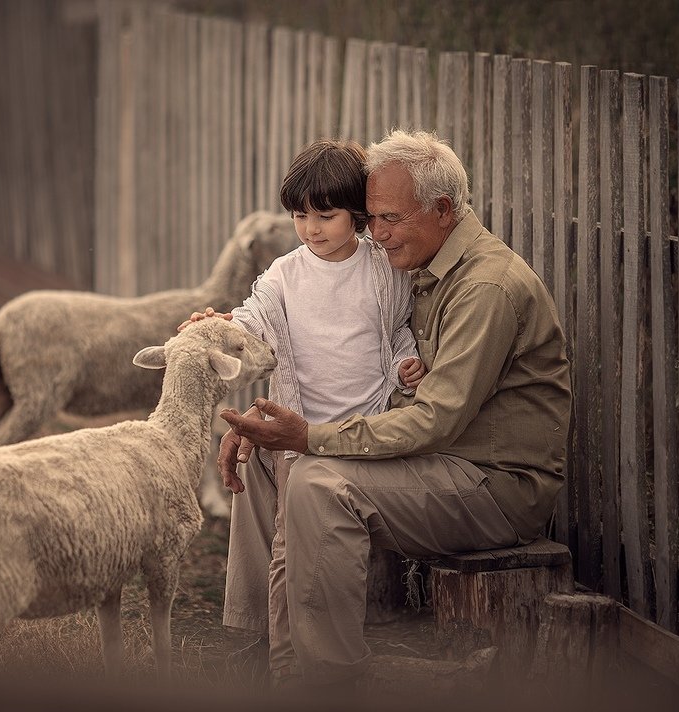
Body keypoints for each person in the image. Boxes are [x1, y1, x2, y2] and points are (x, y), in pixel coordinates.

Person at [217, 129, 572, 687]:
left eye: (388, 219)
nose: (376, 234)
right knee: (264, 460)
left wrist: (310, 436)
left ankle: (329, 678)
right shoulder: (422, 268)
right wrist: (265, 426)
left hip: (493, 485)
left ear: (443, 209)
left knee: (317, 483)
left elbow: (436, 420)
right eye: (371, 219)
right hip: (444, 461)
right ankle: (267, 644)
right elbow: (391, 366)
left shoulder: (486, 288)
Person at [181, 138, 425, 683]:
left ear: (356, 214)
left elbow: (398, 331)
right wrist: (219, 329)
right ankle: (272, 650)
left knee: (300, 550)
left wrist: (409, 362)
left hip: (360, 431)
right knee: (285, 547)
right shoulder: (284, 275)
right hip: (300, 432)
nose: (311, 228)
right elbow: (254, 320)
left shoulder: (382, 272)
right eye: (299, 215)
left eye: (326, 215)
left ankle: (296, 666)